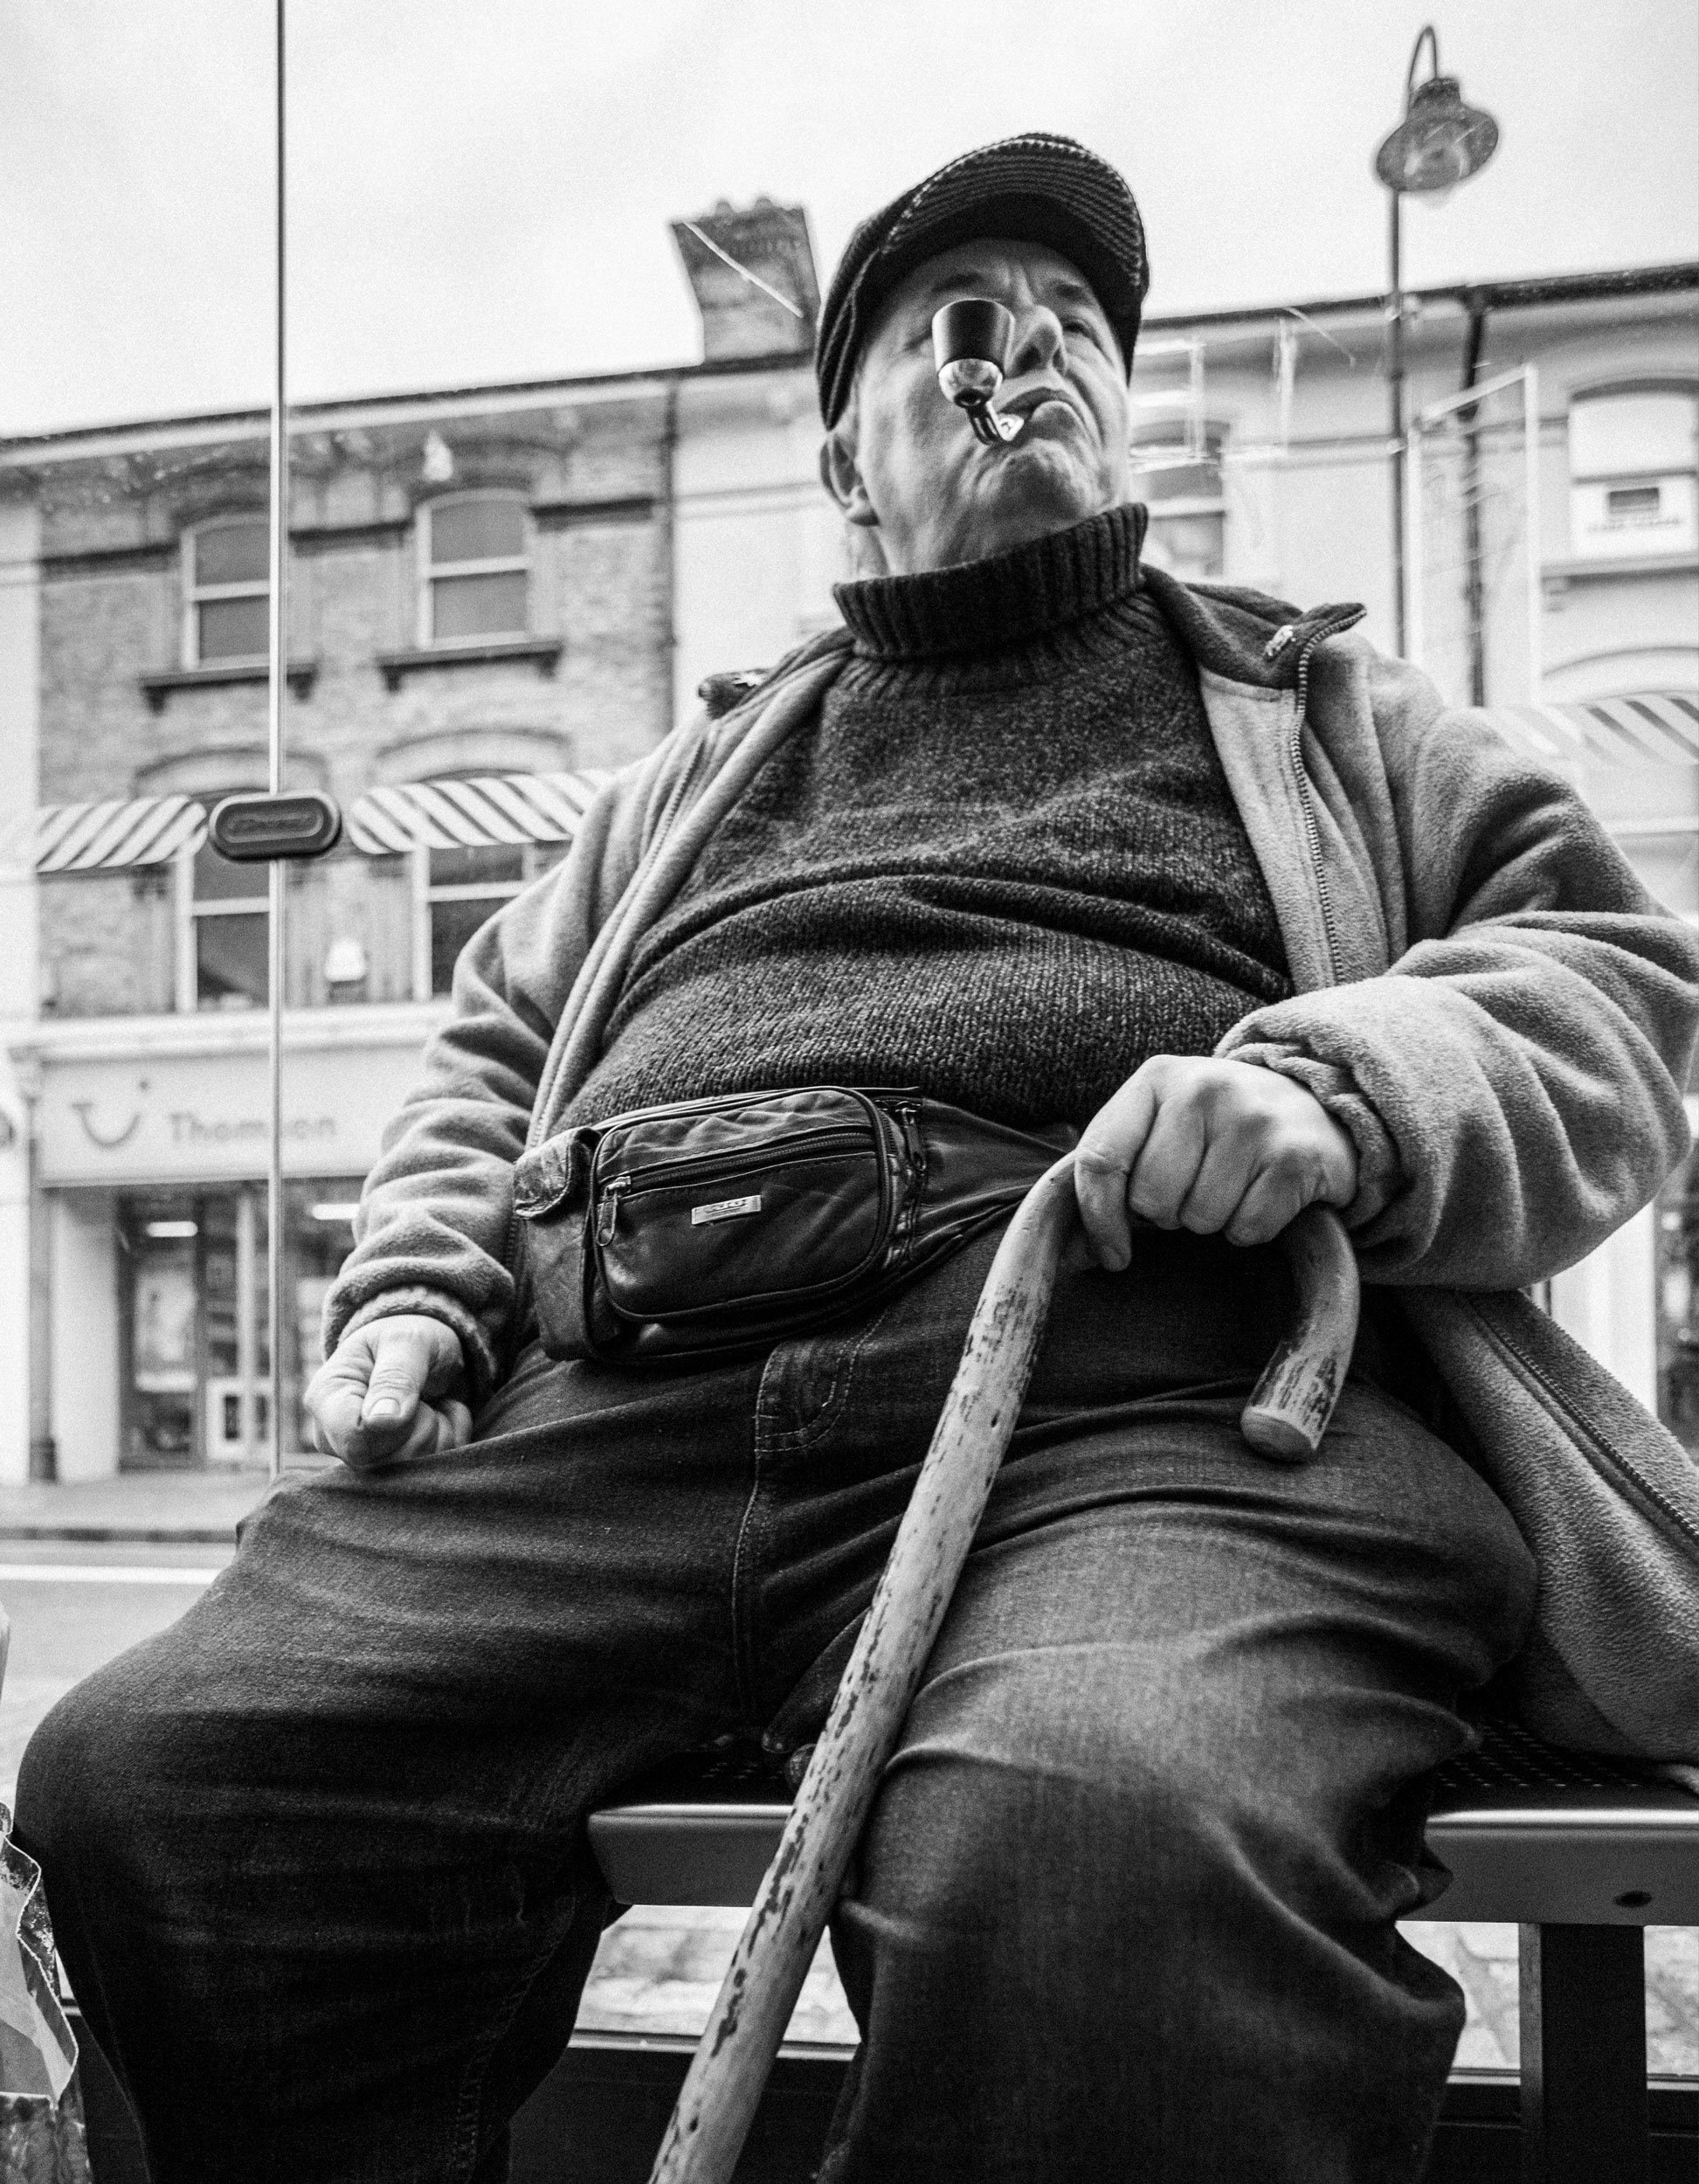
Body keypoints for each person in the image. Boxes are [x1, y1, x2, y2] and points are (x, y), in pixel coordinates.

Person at [17, 135, 1698, 2183]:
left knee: (1100, 1844)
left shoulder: (1323, 695)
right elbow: (487, 1055)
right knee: (159, 1787)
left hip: (1130, 1405)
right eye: (966, 331)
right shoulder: (691, 773)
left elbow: (1604, 973)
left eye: (1077, 329)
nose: (1033, 359)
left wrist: (1346, 1082)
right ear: (842, 465)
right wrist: (419, 1286)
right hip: (605, 1417)